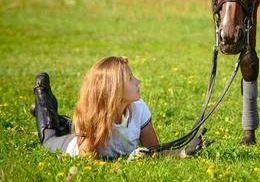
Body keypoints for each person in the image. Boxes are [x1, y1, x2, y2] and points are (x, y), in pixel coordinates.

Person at [31, 56, 207, 159]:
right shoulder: (93, 116)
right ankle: (42, 97)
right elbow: (90, 162)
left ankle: (61, 120)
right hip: (69, 145)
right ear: (113, 89)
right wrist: (124, 165)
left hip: (84, 129)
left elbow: (153, 151)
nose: (138, 81)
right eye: (131, 79)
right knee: (48, 137)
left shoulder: (139, 108)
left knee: (68, 124)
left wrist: (183, 152)